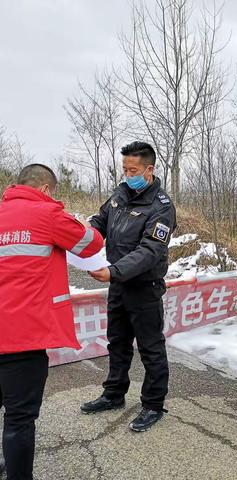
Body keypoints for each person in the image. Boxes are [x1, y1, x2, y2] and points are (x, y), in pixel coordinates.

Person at [0, 164, 104, 480]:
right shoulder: (47, 214)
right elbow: (92, 243)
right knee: (19, 418)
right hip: (22, 335)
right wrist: (73, 218)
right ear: (46, 189)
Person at [80, 141, 176, 432]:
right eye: (124, 169)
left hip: (143, 288)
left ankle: (153, 405)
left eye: (132, 170)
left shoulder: (161, 207)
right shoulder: (119, 195)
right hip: (118, 285)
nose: (127, 174)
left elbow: (150, 251)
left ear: (149, 169)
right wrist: (79, 237)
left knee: (151, 348)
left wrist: (114, 271)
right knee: (117, 343)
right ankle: (113, 394)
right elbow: (99, 222)